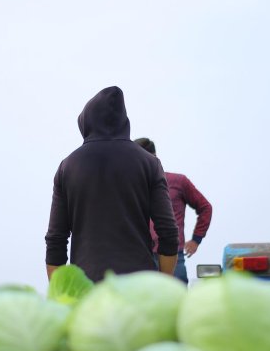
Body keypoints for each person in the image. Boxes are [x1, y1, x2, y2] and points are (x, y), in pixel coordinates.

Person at [45, 86, 179, 283]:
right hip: (139, 286)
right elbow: (168, 231)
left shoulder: (68, 167)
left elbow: (56, 240)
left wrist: (61, 294)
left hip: (87, 289)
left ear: (86, 121)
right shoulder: (149, 163)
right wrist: (162, 285)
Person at [134, 137, 212, 283]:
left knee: (177, 302)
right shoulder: (131, 187)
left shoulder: (178, 182)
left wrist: (196, 239)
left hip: (174, 257)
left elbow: (205, 207)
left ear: (154, 157)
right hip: (141, 259)